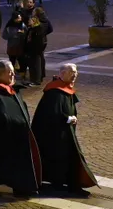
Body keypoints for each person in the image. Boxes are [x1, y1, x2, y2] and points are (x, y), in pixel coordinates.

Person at [0, 60, 41, 198]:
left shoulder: (11, 89)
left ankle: (19, 186)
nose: (12, 74)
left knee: (16, 162)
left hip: (16, 135)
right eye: (9, 72)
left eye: (13, 71)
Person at [31, 64, 97, 197]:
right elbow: (51, 113)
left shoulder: (66, 89)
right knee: (61, 159)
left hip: (64, 133)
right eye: (71, 72)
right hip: (54, 135)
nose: (75, 75)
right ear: (61, 74)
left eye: (76, 72)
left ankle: (66, 184)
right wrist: (68, 119)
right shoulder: (54, 91)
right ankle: (63, 185)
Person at [24, 15, 47, 85]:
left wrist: (38, 50)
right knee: (31, 66)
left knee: (36, 66)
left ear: (33, 21)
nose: (28, 21)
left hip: (36, 52)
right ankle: (32, 80)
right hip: (30, 51)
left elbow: (41, 42)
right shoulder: (31, 29)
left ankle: (36, 80)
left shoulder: (38, 30)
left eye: (30, 20)